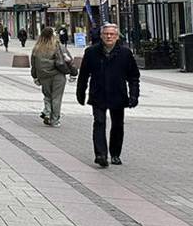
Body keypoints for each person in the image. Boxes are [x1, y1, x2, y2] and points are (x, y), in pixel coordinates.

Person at [76, 22, 140, 167]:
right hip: (98, 93)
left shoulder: (125, 53)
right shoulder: (91, 52)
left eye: (112, 34)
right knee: (99, 122)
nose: (109, 36)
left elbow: (133, 77)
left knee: (117, 125)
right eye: (106, 34)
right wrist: (81, 93)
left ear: (117, 36)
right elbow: (84, 75)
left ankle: (115, 154)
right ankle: (101, 154)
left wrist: (134, 95)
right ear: (101, 36)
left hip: (118, 94)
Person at [30, 26, 72, 127]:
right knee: (56, 98)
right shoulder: (58, 46)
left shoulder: (37, 48)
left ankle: (47, 112)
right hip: (58, 75)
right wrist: (72, 72)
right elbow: (67, 59)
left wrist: (35, 76)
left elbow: (33, 64)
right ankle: (54, 120)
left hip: (43, 75)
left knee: (47, 96)